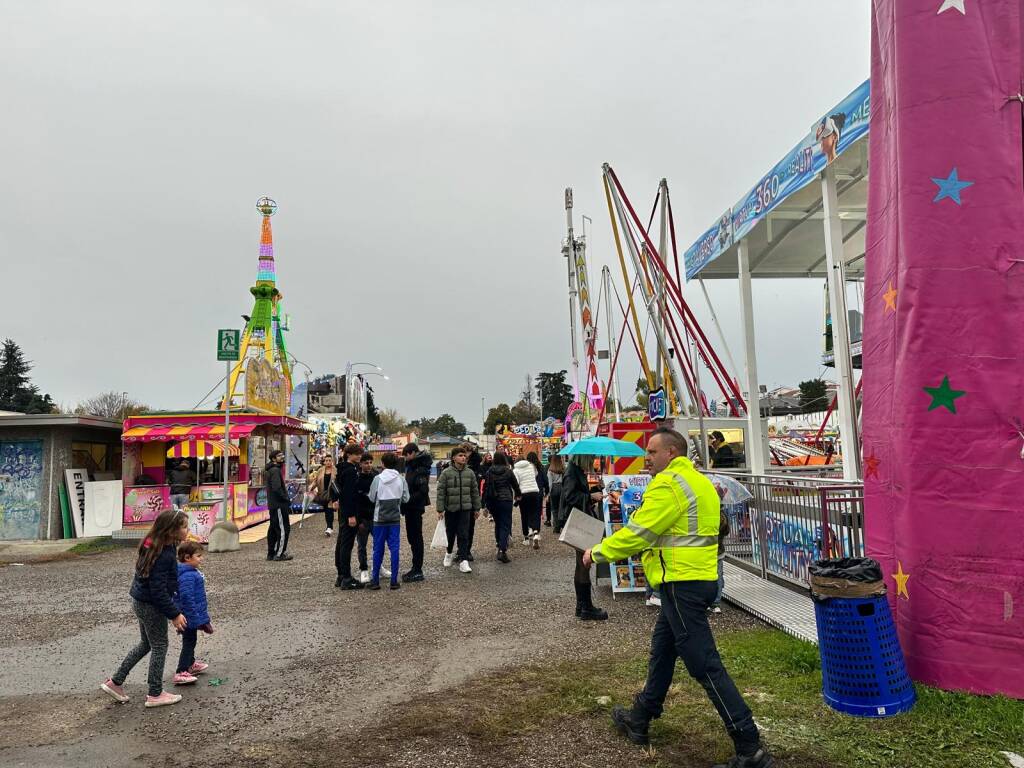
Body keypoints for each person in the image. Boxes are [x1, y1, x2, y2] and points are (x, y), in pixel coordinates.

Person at [583, 428, 772, 768]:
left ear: (671, 453)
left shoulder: (668, 485)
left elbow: (639, 534)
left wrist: (597, 552)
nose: (647, 459)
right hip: (699, 578)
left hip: (679, 583)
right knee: (663, 651)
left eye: (652, 452)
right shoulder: (700, 482)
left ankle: (749, 745)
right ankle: (640, 716)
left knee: (704, 664)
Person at [101, 509, 189, 708]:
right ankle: (155, 693)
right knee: (159, 645)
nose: (187, 530)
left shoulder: (154, 543)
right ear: (171, 530)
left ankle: (115, 682)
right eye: (184, 526)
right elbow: (158, 591)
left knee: (146, 644)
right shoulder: (163, 554)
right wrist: (174, 614)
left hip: (140, 601)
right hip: (150, 605)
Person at [557, 455, 608, 621]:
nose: (593, 460)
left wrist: (593, 491)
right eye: (591, 457)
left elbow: (577, 494)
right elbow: (570, 496)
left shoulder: (575, 470)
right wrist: (591, 497)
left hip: (578, 518)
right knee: (583, 563)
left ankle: (582, 606)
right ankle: (586, 607)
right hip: (578, 520)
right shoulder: (572, 472)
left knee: (581, 563)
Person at [173, 541, 213, 685]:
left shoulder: (190, 572)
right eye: (198, 556)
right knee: (189, 642)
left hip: (189, 614)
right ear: (187, 557)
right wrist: (195, 617)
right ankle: (181, 670)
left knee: (191, 640)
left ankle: (191, 663)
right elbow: (186, 597)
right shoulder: (188, 575)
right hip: (188, 616)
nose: (201, 558)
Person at [367, 452, 409, 590]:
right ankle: (394, 581)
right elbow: (406, 498)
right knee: (395, 549)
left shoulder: (377, 479)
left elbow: (372, 498)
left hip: (379, 519)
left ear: (383, 464)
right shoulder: (401, 479)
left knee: (377, 549)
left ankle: (375, 581)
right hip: (395, 519)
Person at [435, 447, 481, 574]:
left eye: (465, 455)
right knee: (450, 533)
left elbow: (474, 492)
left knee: (464, 534)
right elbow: (441, 492)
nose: (464, 457)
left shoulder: (470, 473)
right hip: (451, 509)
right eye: (460, 455)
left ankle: (463, 560)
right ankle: (448, 553)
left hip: (466, 509)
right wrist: (440, 509)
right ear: (454, 457)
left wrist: (477, 507)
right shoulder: (446, 473)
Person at [333, 443, 365, 589]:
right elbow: (349, 494)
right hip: (349, 511)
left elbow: (335, 487)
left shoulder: (341, 468)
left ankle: (340, 574)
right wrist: (352, 515)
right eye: (356, 453)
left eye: (359, 453)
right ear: (348, 455)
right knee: (347, 544)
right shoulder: (351, 471)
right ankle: (346, 577)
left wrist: (335, 500)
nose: (359, 456)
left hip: (342, 511)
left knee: (341, 542)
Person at [401, 443, 432, 582]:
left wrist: (407, 500)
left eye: (406, 455)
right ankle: (415, 568)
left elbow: (422, 491)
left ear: (412, 453)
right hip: (411, 508)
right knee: (412, 538)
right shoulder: (413, 466)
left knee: (416, 539)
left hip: (414, 508)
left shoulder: (419, 468)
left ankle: (417, 570)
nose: (405, 458)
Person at [482, 452, 520, 563]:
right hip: (506, 500)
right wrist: (518, 495)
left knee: (498, 523)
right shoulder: (508, 471)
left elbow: (486, 487)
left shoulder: (489, 471)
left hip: (493, 501)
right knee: (505, 525)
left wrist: (485, 503)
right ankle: (502, 550)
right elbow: (515, 485)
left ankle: (499, 543)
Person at [355, 452, 380, 584]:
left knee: (379, 544)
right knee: (362, 545)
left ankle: (379, 566)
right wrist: (358, 520)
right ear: (361, 464)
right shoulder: (357, 478)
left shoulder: (377, 476)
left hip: (375, 517)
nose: (369, 465)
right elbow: (355, 501)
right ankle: (363, 569)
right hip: (363, 517)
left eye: (371, 462)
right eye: (366, 463)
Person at [265, 450, 293, 562]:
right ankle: (280, 553)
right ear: (273, 459)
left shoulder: (271, 470)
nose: (282, 457)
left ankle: (271, 553)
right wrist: (285, 498)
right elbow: (276, 488)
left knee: (273, 529)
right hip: (279, 505)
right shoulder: (275, 470)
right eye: (279, 455)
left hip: (273, 505)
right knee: (283, 529)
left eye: (282, 454)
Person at [513, 455, 542, 549]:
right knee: (534, 512)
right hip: (534, 491)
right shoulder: (531, 466)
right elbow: (535, 475)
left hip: (523, 493)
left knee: (524, 515)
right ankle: (536, 532)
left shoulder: (515, 470)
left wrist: (516, 496)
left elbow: (516, 483)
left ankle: (526, 537)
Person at [308, 455, 337, 536]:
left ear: (332, 461)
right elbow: (316, 481)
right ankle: (329, 526)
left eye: (329, 460)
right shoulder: (320, 470)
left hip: (332, 493)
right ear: (324, 461)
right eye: (326, 460)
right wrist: (310, 488)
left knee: (329, 509)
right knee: (326, 511)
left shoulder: (336, 470)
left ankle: (329, 527)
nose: (328, 462)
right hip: (322, 493)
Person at [546, 454, 565, 529]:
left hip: (554, 488)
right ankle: (562, 524)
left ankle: (556, 526)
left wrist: (548, 494)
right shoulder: (563, 469)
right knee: (562, 507)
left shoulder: (550, 470)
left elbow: (550, 484)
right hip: (562, 487)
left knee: (554, 508)